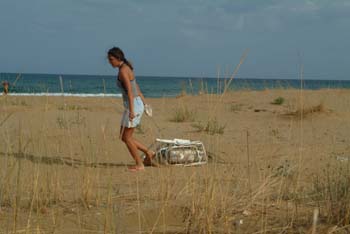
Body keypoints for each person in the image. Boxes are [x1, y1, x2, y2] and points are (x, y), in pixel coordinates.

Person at [108, 47, 155, 171]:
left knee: (127, 138)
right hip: (135, 104)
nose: (110, 62)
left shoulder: (123, 71)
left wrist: (132, 111)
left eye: (111, 59)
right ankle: (148, 153)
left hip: (133, 105)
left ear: (118, 58)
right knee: (124, 137)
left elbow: (130, 92)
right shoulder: (126, 68)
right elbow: (136, 87)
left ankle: (140, 164)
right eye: (109, 59)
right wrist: (144, 103)